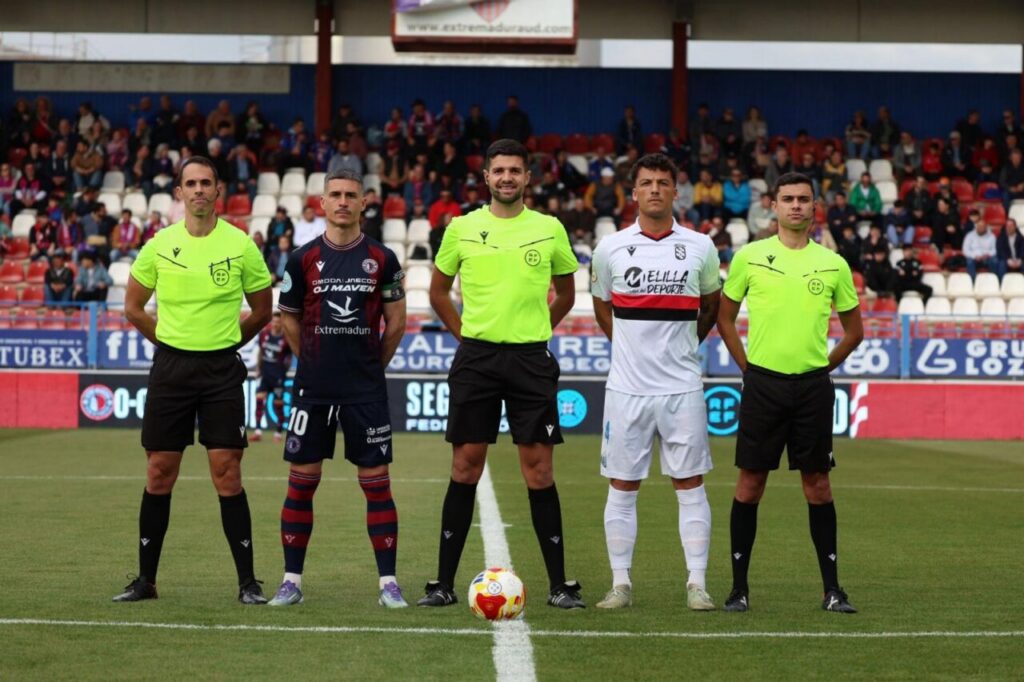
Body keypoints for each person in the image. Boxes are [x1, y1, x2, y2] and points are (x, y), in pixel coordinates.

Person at [420, 139, 583, 609]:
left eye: (515, 170)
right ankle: (443, 585)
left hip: (531, 361)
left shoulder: (550, 228)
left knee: (539, 470)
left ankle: (559, 586)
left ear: (528, 177)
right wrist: (466, 337)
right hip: (477, 360)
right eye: (499, 171)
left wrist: (536, 334)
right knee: (465, 466)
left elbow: (567, 294)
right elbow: (437, 292)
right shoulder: (462, 228)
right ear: (486, 177)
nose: (507, 178)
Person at [113, 156, 273, 604]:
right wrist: (167, 340)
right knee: (160, 471)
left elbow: (263, 309)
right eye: (191, 183)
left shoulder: (240, 245)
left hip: (221, 370)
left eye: (207, 182)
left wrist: (224, 341)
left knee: (228, 472)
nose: (199, 190)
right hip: (171, 370)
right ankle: (146, 581)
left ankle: (247, 583)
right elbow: (133, 306)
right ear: (179, 193)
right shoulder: (159, 245)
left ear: (218, 190)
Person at [717, 172, 864, 614]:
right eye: (788, 199)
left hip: (812, 388)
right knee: (750, 484)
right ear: (774, 206)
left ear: (815, 207)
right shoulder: (749, 257)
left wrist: (822, 368)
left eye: (803, 199)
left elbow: (854, 332)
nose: (796, 206)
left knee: (818, 485)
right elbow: (725, 318)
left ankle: (832, 590)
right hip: (764, 386)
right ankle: (738, 589)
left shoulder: (833, 263)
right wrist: (748, 369)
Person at [269, 168, 409, 609]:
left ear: (363, 202)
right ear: (322, 203)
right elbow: (288, 317)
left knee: (376, 484)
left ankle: (388, 583)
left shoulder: (382, 258)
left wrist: (371, 366)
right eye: (336, 195)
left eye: (351, 195)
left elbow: (397, 321)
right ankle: (291, 581)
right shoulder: (302, 258)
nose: (344, 202)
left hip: (365, 392)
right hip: (314, 390)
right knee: (302, 482)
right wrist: (309, 360)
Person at [589, 153, 721, 611]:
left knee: (690, 484)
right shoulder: (610, 247)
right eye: (647, 183)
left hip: (682, 387)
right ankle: (620, 583)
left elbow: (711, 306)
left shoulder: (701, 247)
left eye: (664, 182)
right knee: (623, 486)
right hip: (627, 389)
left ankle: (697, 583)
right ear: (634, 193)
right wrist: (625, 343)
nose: (656, 190)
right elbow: (602, 304)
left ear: (676, 191)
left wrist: (687, 345)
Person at [253, 312, 292, 444]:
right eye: (274, 321)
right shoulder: (264, 335)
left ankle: (278, 433)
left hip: (278, 377)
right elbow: (261, 352)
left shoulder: (286, 339)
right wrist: (258, 369)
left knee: (278, 405)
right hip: (265, 374)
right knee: (259, 399)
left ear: (282, 323)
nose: (275, 324)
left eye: (278, 321)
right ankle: (258, 431)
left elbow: (290, 357)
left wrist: (283, 372)